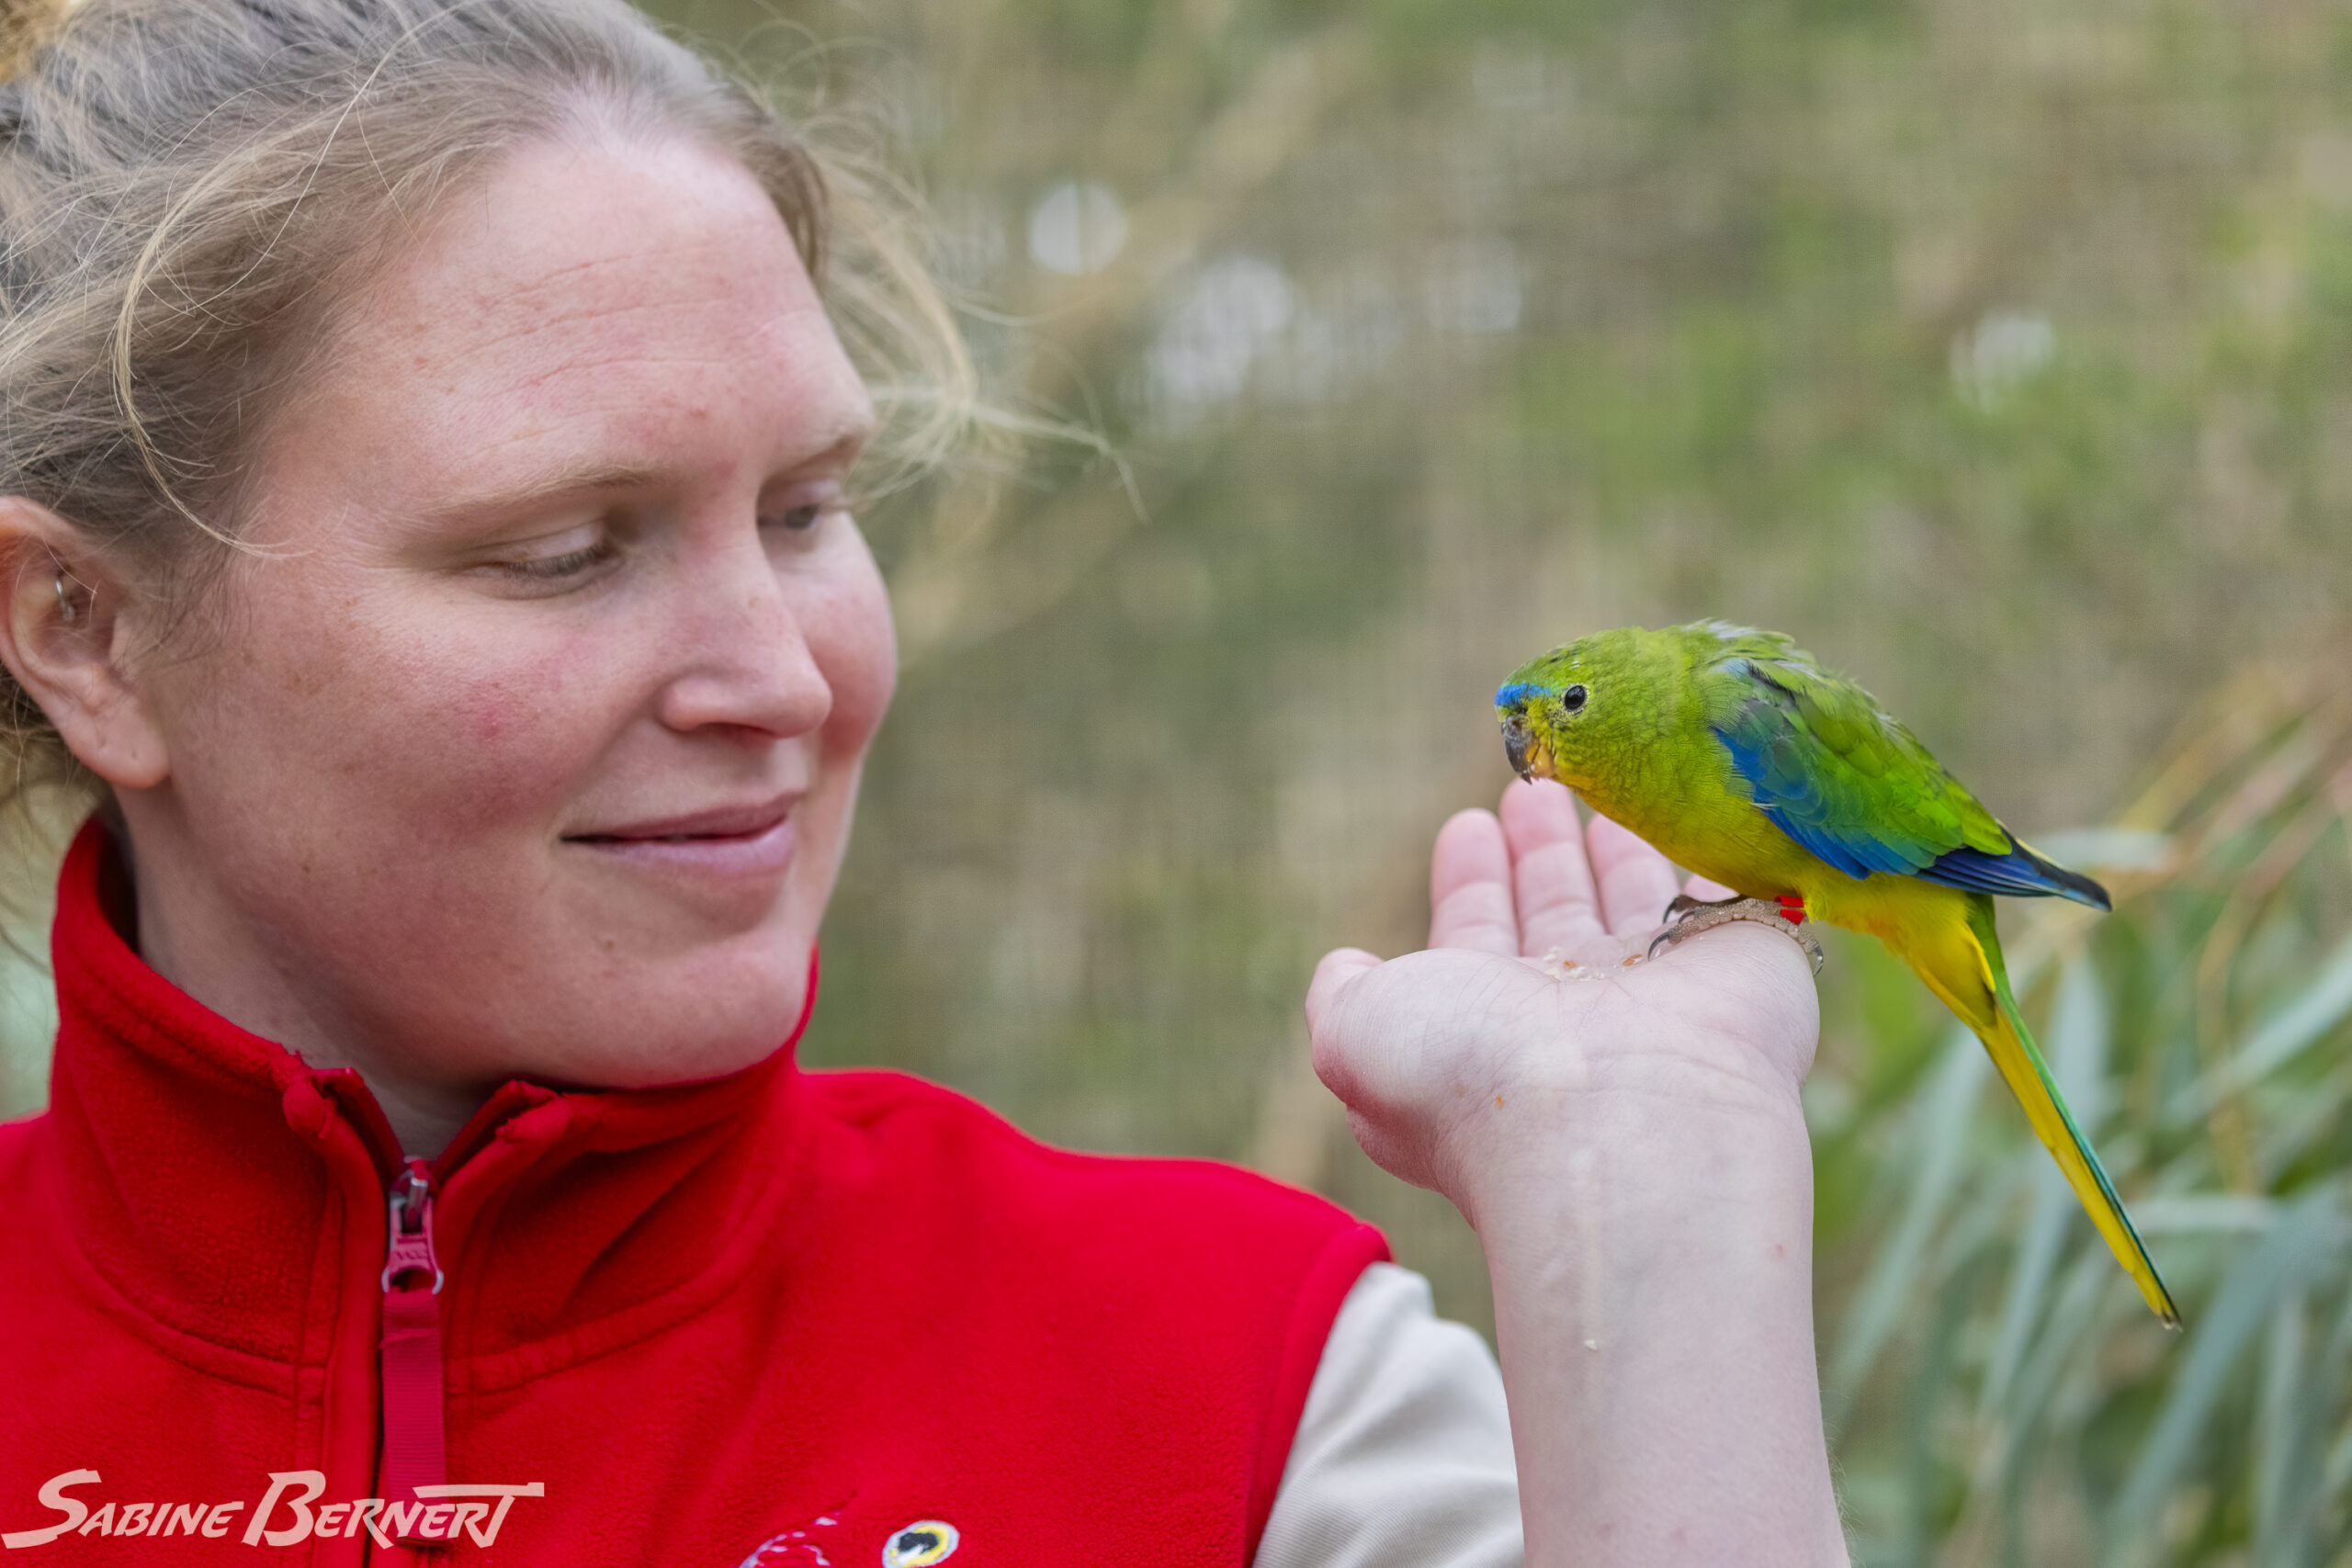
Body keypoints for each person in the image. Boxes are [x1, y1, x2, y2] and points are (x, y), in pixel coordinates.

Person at [0, 0, 1846, 1562]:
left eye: (807, 510)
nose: (781, 675)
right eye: (567, 547)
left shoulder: (1250, 1401)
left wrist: (1655, 1228)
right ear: (85, 629)